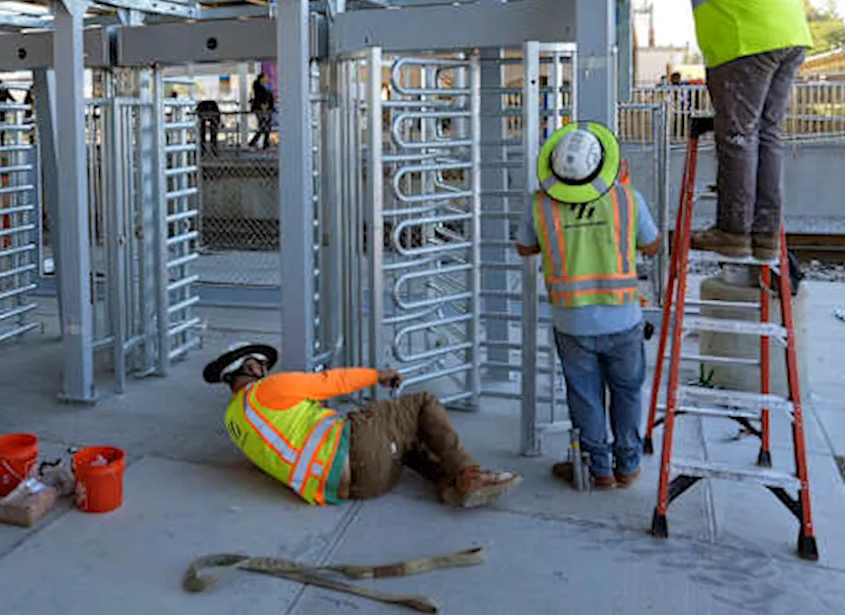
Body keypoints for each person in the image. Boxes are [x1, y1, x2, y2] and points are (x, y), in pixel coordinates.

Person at [614, 0, 811, 261]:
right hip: (787, 37)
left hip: (745, 42)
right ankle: (764, 234)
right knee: (767, 136)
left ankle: (733, 232)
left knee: (737, 136)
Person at [515, 122, 662, 489]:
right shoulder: (627, 199)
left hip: (572, 322)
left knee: (585, 397)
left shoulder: (541, 204)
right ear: (604, 164)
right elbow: (654, 245)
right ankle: (628, 466)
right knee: (627, 392)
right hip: (623, 318)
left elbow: (524, 248)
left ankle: (599, 469)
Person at [203, 342, 521, 507]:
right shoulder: (266, 391)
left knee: (405, 435)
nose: (265, 369)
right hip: (355, 449)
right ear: (247, 367)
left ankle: (446, 484)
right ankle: (469, 474)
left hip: (356, 488)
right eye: (260, 364)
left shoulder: (234, 420)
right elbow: (329, 382)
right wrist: (377, 375)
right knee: (422, 403)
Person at [248, 73, 275, 150]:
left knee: (264, 127)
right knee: (264, 126)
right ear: (261, 79)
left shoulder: (263, 87)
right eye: (266, 78)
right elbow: (261, 99)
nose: (267, 79)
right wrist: (264, 109)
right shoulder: (259, 88)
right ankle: (256, 143)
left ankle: (261, 143)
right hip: (262, 110)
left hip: (266, 110)